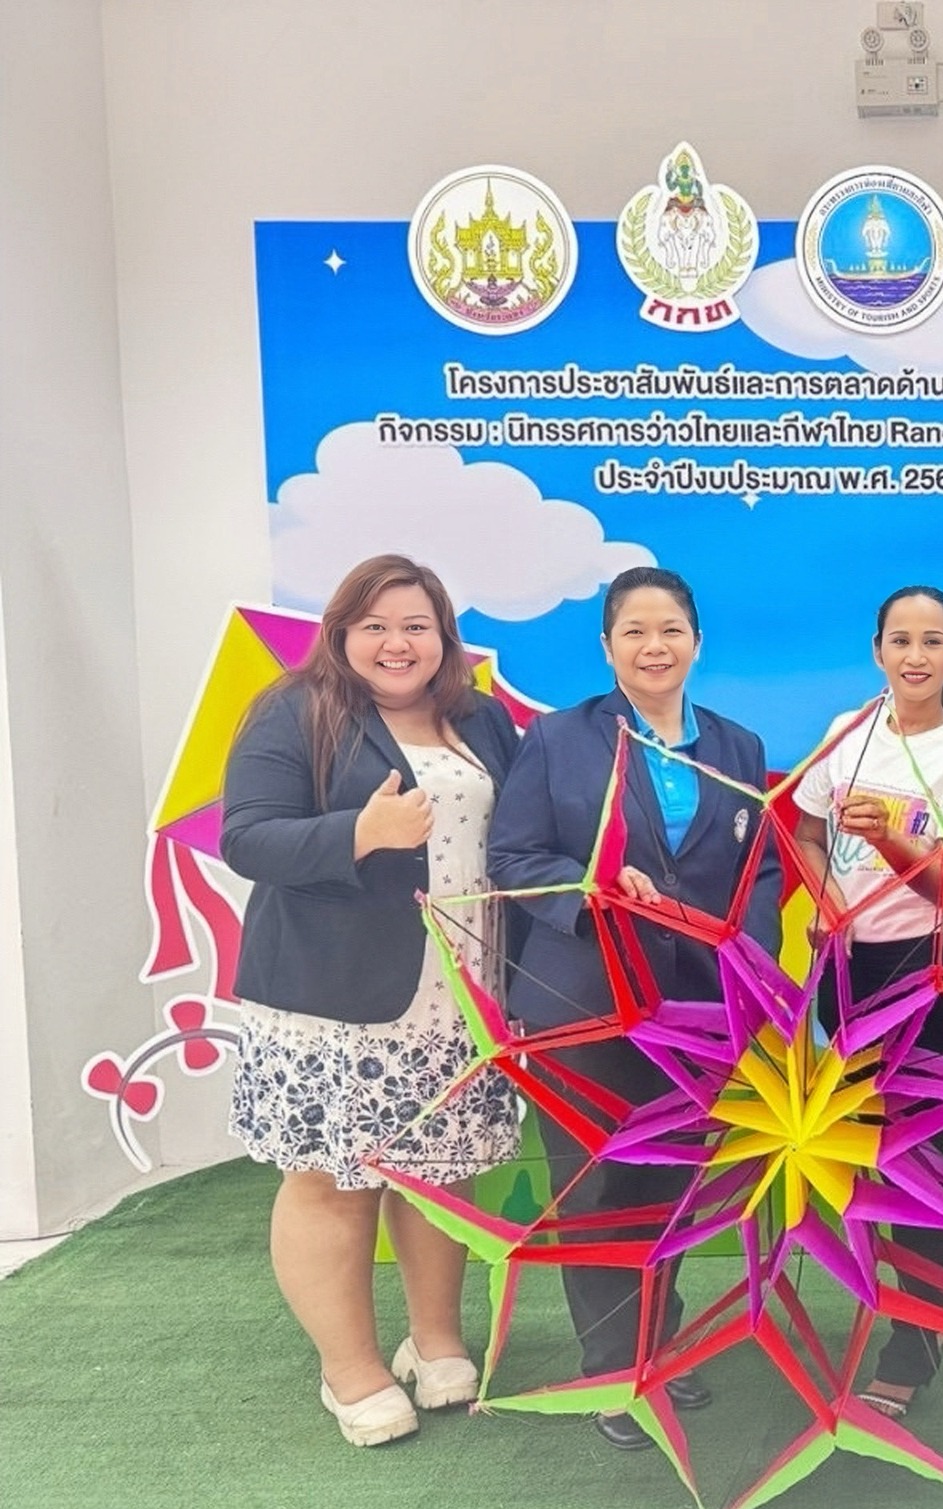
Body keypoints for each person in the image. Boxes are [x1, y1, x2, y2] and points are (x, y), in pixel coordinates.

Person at [221, 554, 523, 1448]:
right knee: (332, 1180)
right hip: (332, 1000)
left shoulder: (482, 718)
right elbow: (248, 837)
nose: (398, 643)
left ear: (443, 638)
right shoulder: (296, 709)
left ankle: (436, 1341)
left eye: (416, 626)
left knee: (442, 1170)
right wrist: (360, 831)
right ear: (342, 632)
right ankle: (348, 1369)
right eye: (377, 626)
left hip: (461, 997)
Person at [487, 566, 782, 1450]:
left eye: (671, 630)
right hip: (581, 1000)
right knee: (594, 1186)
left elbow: (761, 868)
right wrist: (591, 889)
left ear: (697, 641)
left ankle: (660, 1342)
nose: (655, 647)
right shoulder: (559, 737)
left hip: (696, 1007)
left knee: (672, 1181)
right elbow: (514, 855)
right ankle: (614, 1371)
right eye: (635, 632)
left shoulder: (736, 745)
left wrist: (746, 957)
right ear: (607, 646)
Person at [791, 585, 943, 1418]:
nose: (915, 656)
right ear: (877, 649)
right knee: (865, 1155)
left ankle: (913, 1345)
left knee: (916, 1159)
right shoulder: (848, 730)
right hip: (845, 971)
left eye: (933, 640)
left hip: (925, 972)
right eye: (900, 640)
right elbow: (806, 833)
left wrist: (885, 832)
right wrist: (827, 901)